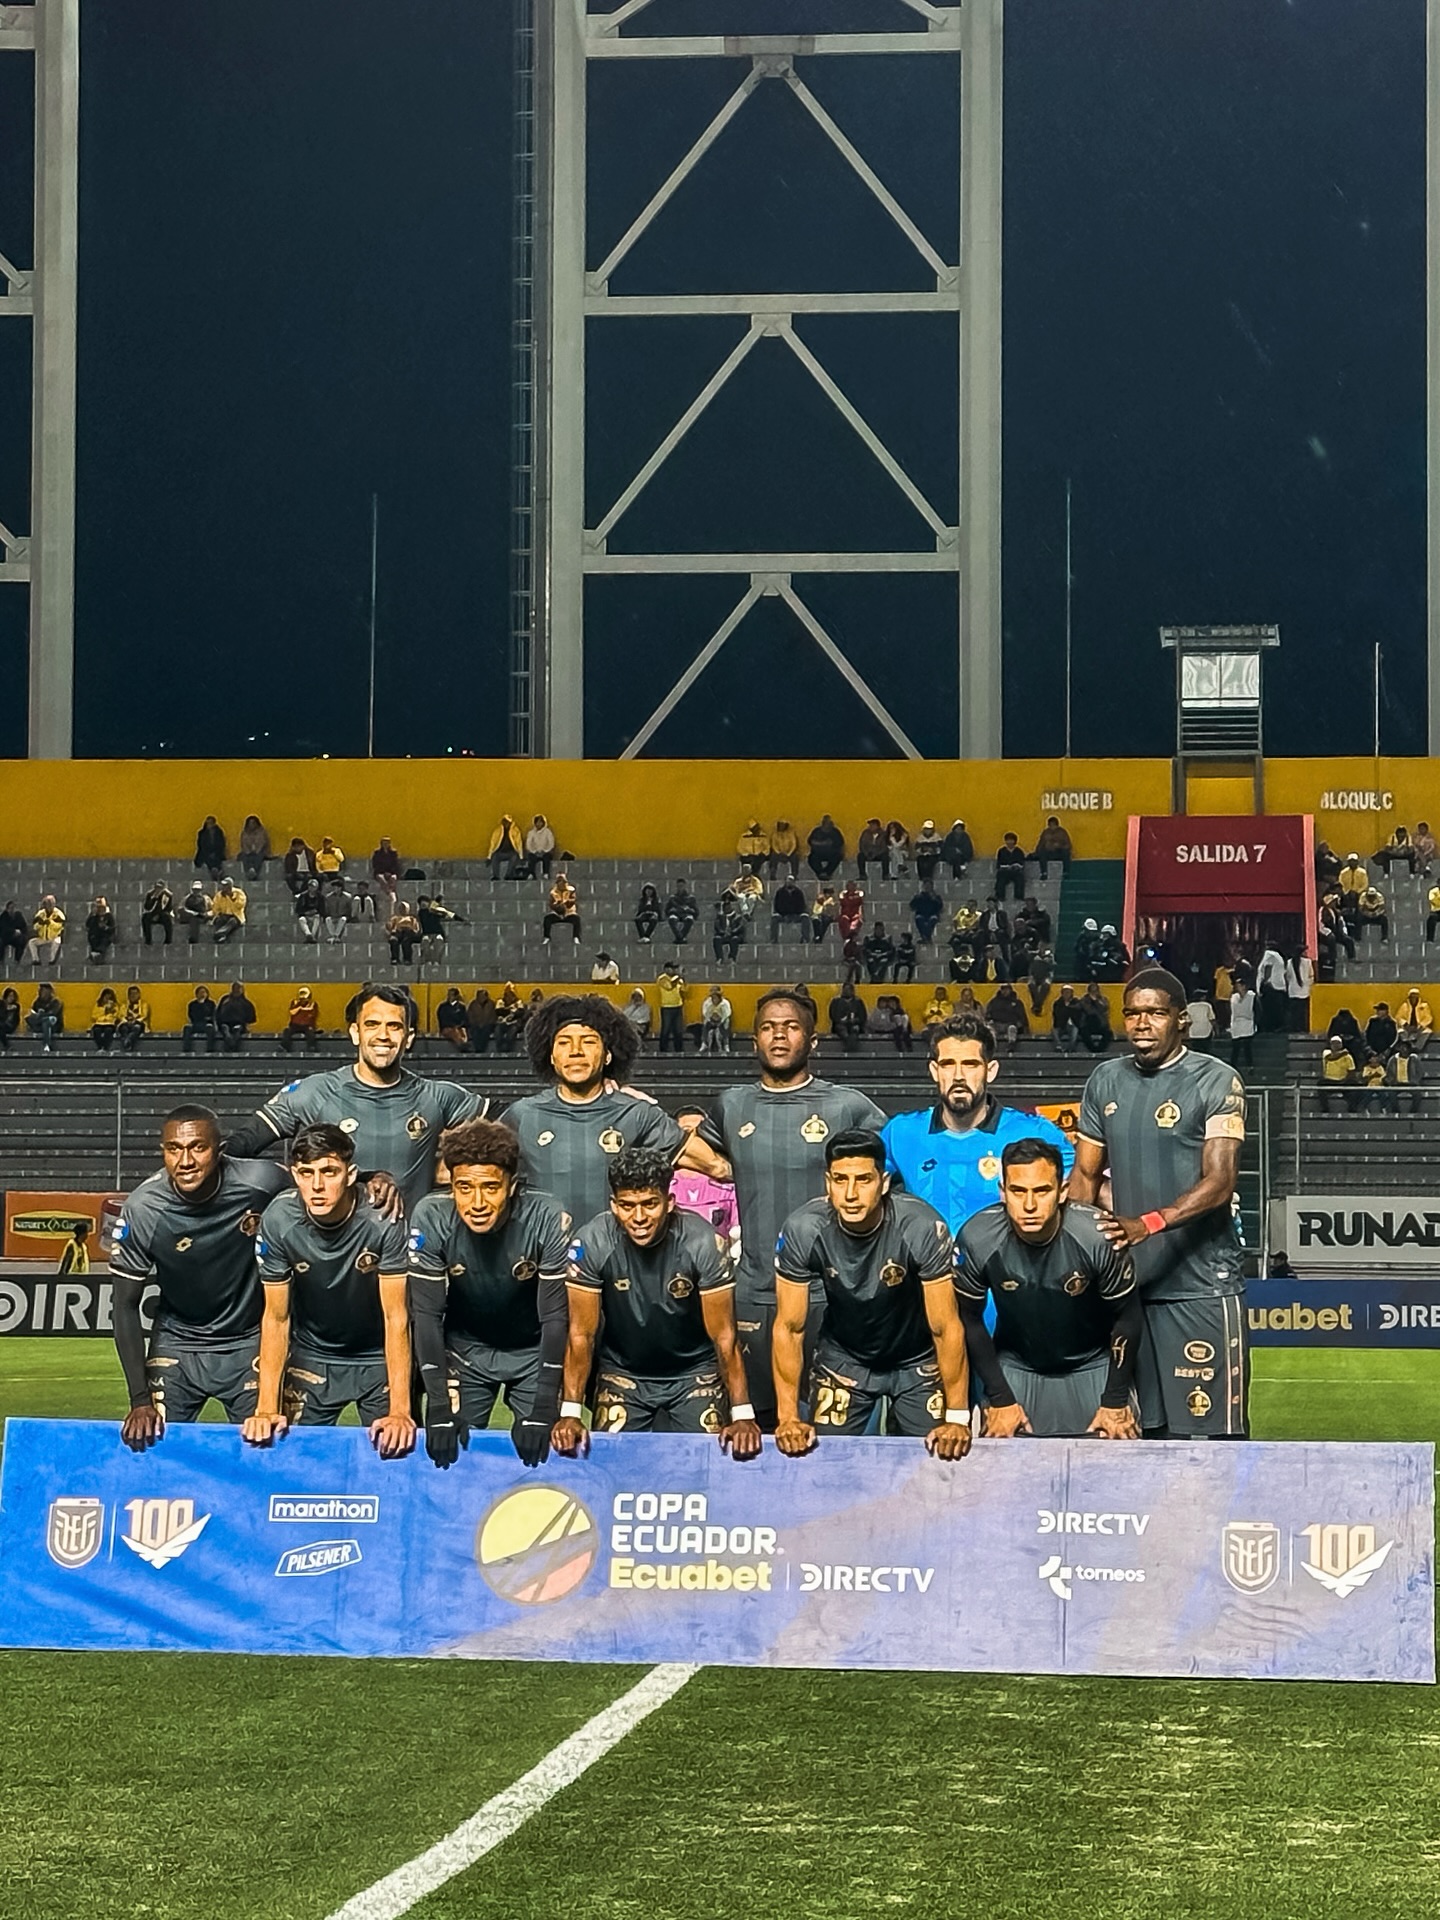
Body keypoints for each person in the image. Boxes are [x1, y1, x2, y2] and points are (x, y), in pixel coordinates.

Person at [1071, 967, 1249, 1439]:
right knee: (1141, 1436)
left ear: (1182, 1019)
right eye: (1132, 1013)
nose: (1141, 1023)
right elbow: (1085, 1176)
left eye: (1155, 1013)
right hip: (1128, 1290)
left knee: (1215, 1438)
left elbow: (1220, 1181)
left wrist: (1146, 1224)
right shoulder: (1104, 1081)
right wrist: (1070, 1256)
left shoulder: (1216, 1080)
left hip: (1202, 1286)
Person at [696, 988, 886, 1427]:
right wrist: (723, 1167)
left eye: (791, 1027)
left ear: (812, 1041)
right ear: (754, 1041)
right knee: (753, 1429)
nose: (778, 1036)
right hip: (756, 1293)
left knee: (835, 1431)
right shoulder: (732, 1105)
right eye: (767, 1027)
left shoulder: (848, 1105)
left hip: (835, 1295)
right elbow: (683, 1149)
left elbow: (891, 1170)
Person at [772, 1130, 971, 1457]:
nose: (850, 1193)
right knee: (824, 1462)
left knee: (938, 1464)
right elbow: (790, 1328)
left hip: (916, 1361)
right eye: (840, 1180)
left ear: (883, 1182)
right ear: (828, 1182)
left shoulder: (921, 1227)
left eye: (863, 1180)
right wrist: (789, 1417)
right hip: (843, 1359)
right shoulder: (803, 1229)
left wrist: (958, 1418)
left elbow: (946, 1326)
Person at [553, 1148, 759, 1456]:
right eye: (627, 1206)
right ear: (613, 1206)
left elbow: (725, 1335)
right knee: (612, 1467)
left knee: (705, 1465)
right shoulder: (591, 1242)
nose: (638, 1218)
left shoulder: (703, 1242)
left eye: (650, 1204)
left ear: (670, 1202)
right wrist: (569, 1412)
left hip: (694, 1373)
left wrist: (742, 1415)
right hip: (622, 1372)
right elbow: (581, 1334)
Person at [110, 1105, 291, 1447]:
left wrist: (369, 1180)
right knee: (154, 1450)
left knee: (265, 1450)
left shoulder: (263, 1182)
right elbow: (123, 1307)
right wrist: (139, 1399)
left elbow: (323, 1187)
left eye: (198, 1147)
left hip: (248, 1342)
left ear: (220, 1150)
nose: (185, 1161)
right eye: (173, 1149)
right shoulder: (144, 1208)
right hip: (177, 1344)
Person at [226, 984, 489, 1217]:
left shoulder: (438, 1096)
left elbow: (510, 1123)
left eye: (394, 1026)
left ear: (408, 1038)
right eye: (372, 1024)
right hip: (334, 1251)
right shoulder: (314, 1092)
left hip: (408, 1254)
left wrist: (458, 1167)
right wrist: (278, 1181)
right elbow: (240, 1145)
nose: (383, 1036)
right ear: (355, 1032)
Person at [407, 1118, 571, 1471]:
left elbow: (556, 1317)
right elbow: (426, 1316)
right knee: (447, 1458)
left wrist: (545, 1403)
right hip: (465, 1353)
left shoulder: (546, 1215)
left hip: (531, 1353)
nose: (476, 1202)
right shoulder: (431, 1216)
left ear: (511, 1186)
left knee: (543, 1459)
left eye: (490, 1188)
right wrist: (437, 1403)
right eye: (464, 1188)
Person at [242, 1124, 414, 1456]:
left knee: (396, 1456)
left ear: (351, 1175)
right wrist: (266, 1407)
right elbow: (276, 1319)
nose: (317, 1186)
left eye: (329, 1172)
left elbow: (396, 1318)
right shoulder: (279, 1218)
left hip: (377, 1355)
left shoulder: (383, 1217)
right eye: (306, 1173)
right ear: (294, 1174)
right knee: (291, 1459)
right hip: (314, 1355)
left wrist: (400, 1412)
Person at [956, 1138, 1142, 1438]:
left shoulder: (1098, 1236)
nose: (1029, 1205)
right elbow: (969, 1319)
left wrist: (1115, 1401)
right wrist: (1000, 1397)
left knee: (1114, 1461)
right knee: (1001, 1473)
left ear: (1062, 1192)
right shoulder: (977, 1238)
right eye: (1018, 1191)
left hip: (1092, 1362)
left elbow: (1128, 1317)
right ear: (1003, 1192)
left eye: (1041, 1191)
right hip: (1017, 1363)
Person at [502, 994, 717, 1230]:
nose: (576, 1051)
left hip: (615, 1261)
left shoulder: (637, 1114)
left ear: (608, 1055)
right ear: (551, 1056)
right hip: (543, 1259)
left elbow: (715, 1165)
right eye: (564, 1042)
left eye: (588, 1041)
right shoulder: (521, 1116)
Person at [881, 1012, 1073, 1232]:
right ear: (935, 1071)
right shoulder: (901, 1133)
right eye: (948, 1064)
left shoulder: (1036, 1133)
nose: (959, 1075)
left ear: (990, 1071)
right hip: (926, 1265)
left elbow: (1080, 1190)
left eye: (970, 1064)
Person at [672, 1107, 739, 1236]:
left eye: (700, 1133)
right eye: (687, 1132)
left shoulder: (728, 1190)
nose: (695, 1140)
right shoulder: (663, 1187)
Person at [1317, 1033, 1356, 1114]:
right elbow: (1332, 1057)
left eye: (1338, 1043)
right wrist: (1344, 1052)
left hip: (1343, 1081)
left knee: (1354, 1085)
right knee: (1320, 1084)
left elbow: (1351, 1071)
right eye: (1334, 1043)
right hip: (1330, 1081)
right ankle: (1325, 1108)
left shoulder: (1348, 1056)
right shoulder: (1326, 1053)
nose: (1336, 1045)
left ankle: (1352, 1108)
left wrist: (1345, 1080)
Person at [828, 978, 868, 1054]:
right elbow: (832, 1015)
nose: (847, 991)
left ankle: (850, 1047)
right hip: (840, 1024)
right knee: (842, 1030)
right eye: (845, 989)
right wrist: (842, 1021)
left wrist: (856, 1021)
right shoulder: (836, 1002)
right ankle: (850, 1045)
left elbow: (863, 1016)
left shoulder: (858, 1002)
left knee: (854, 1030)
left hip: (855, 1024)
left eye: (849, 989)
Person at [986, 982, 1029, 1052]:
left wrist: (1022, 1025)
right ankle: (991, 1047)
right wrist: (989, 1020)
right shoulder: (994, 1002)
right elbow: (988, 1014)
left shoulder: (1017, 1002)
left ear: (1011, 990)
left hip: (1010, 1024)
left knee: (1012, 1028)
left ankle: (1011, 1045)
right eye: (1003, 989)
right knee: (989, 1029)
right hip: (996, 1024)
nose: (1005, 991)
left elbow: (1022, 1016)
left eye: (1007, 989)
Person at [24, 895, 65, 965]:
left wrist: (50, 923)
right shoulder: (40, 914)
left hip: (54, 936)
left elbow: (60, 926)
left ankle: (52, 960)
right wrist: (40, 924)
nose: (49, 906)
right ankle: (36, 959)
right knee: (31, 942)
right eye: (47, 904)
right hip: (43, 938)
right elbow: (35, 926)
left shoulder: (58, 913)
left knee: (57, 942)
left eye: (51, 904)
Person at [216, 981, 256, 1052]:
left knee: (236, 1031)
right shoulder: (225, 1000)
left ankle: (230, 1049)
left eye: (239, 988)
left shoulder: (246, 1003)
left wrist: (246, 1025)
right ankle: (231, 1048)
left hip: (239, 1024)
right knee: (226, 1032)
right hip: (225, 1024)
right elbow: (218, 1013)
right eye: (235, 988)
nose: (237, 990)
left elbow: (251, 1018)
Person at [542, 873, 581, 945]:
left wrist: (565, 905)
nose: (561, 884)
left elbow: (573, 900)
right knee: (547, 919)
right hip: (557, 913)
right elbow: (551, 904)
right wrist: (557, 907)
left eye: (562, 882)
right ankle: (546, 937)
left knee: (576, 919)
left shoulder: (571, 890)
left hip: (569, 912)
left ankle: (576, 937)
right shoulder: (553, 892)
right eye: (559, 882)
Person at [1255, 944, 1287, 1033]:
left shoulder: (1270, 954)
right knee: (1276, 1008)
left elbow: (1268, 968)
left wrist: (1265, 982)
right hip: (1276, 985)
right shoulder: (1277, 956)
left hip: (1271, 986)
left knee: (1270, 1009)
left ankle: (1269, 1027)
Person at [1227, 977, 1257, 1072]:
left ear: (1244, 986)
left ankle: (1250, 1066)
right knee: (1236, 1047)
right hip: (1236, 1023)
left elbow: (1257, 1010)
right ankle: (1233, 1066)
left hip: (1247, 1022)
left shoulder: (1252, 996)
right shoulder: (1234, 997)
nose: (1237, 988)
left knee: (1247, 1046)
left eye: (1239, 986)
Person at [280, 986, 320, 1054]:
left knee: (310, 1033)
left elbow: (312, 1013)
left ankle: (312, 1047)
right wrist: (299, 1007)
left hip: (307, 1025)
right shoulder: (294, 1003)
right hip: (295, 1025)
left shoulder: (313, 1004)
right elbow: (292, 1012)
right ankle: (284, 1047)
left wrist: (305, 1008)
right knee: (287, 1031)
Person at [418, 895, 458, 963]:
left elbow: (444, 915)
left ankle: (436, 960)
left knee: (439, 940)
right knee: (425, 941)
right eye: (421, 903)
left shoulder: (435, 911)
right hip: (427, 934)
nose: (423, 904)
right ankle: (427, 960)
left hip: (438, 933)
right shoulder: (421, 913)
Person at [770, 876, 810, 943]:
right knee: (774, 918)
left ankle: (805, 938)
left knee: (805, 917)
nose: (789, 883)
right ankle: (773, 939)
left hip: (796, 915)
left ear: (794, 882)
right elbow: (777, 905)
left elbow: (802, 906)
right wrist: (783, 913)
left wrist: (795, 913)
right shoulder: (780, 892)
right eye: (788, 881)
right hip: (783, 915)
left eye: (791, 881)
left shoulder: (799, 892)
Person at [1031, 815, 1072, 881]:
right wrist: (1037, 852)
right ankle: (1044, 873)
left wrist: (1059, 846)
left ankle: (1065, 873)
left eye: (1054, 825)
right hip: (1048, 853)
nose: (1052, 827)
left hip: (1059, 852)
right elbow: (1040, 844)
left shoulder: (1062, 832)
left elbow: (1068, 845)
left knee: (1066, 853)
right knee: (1042, 853)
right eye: (1050, 825)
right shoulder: (1046, 832)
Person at [657, 965, 686, 1054]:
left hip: (678, 1006)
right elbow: (669, 987)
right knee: (666, 1029)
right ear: (665, 969)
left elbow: (684, 991)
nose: (673, 970)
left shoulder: (678, 979)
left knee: (678, 1030)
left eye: (674, 968)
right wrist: (679, 976)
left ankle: (679, 1049)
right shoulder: (662, 978)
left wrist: (683, 981)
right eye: (671, 968)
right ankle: (663, 1049)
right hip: (667, 1007)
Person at [25, 982, 63, 1051]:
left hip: (54, 1025)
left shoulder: (56, 1002)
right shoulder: (37, 1002)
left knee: (48, 1020)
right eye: (41, 990)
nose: (42, 992)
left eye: (44, 990)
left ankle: (47, 1044)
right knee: (29, 1018)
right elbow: (33, 1011)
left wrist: (41, 1014)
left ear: (49, 991)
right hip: (40, 1022)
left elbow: (53, 1014)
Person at [1077, 982, 1113, 1053]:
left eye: (1096, 990)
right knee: (1084, 1033)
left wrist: (1096, 1001)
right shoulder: (1084, 1000)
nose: (1094, 992)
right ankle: (1093, 1049)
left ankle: (1100, 1049)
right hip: (1088, 1024)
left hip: (1100, 1024)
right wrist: (1091, 1000)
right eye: (1092, 991)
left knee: (1108, 1034)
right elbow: (1089, 1011)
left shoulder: (1103, 1000)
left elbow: (1104, 1008)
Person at [182, 984, 218, 1054]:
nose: (202, 994)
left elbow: (212, 1015)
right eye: (200, 992)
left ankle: (210, 1049)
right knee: (186, 1028)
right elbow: (192, 1015)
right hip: (196, 1023)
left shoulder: (211, 1003)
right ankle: (186, 1048)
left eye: (204, 992)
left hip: (206, 1024)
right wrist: (200, 1005)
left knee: (210, 1029)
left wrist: (203, 1005)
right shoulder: (192, 1004)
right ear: (196, 994)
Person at [210, 877, 247, 944]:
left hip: (236, 916)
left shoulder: (239, 893)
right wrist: (218, 914)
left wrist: (232, 897)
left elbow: (240, 905)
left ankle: (218, 933)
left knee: (232, 922)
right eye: (223, 886)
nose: (223, 887)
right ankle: (221, 936)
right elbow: (215, 907)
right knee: (219, 920)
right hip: (224, 915)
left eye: (226, 885)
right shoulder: (219, 895)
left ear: (230, 886)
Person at [488, 815, 524, 882]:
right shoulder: (497, 831)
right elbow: (493, 843)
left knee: (514, 857)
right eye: (505, 822)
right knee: (495, 857)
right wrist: (489, 857)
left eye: (507, 822)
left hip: (511, 852)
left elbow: (519, 843)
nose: (506, 824)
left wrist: (521, 857)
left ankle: (508, 875)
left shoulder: (515, 831)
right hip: (500, 852)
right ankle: (496, 876)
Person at [1285, 951, 1315, 1032]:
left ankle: (1293, 1028)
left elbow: (1288, 976)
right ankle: (1302, 1028)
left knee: (1294, 1011)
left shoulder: (1289, 962)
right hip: (1304, 991)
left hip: (1293, 991)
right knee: (1302, 1012)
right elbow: (1311, 975)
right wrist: (1308, 984)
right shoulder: (1308, 962)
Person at [712, 892, 745, 964]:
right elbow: (717, 926)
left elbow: (740, 927)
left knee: (735, 939)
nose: (727, 908)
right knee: (717, 939)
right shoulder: (720, 917)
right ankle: (719, 958)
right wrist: (723, 932)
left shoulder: (737, 917)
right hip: (724, 935)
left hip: (734, 935)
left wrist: (732, 931)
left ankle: (732, 958)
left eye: (728, 906)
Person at [994, 831, 1027, 903]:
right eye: (1008, 840)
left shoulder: (1019, 851)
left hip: (1015, 871)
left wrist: (1016, 866)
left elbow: (1021, 863)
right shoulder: (1001, 851)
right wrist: (1005, 866)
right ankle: (1000, 896)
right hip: (1005, 871)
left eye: (1011, 840)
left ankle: (1018, 896)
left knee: (1020, 878)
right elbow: (999, 863)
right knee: (1001, 878)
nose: (1009, 842)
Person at [700, 985, 733, 1055]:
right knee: (705, 1023)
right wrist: (711, 1020)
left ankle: (726, 1044)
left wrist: (720, 1021)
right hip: (711, 1021)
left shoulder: (725, 1003)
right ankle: (704, 1043)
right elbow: (705, 1013)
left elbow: (727, 1014)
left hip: (722, 1021)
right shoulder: (707, 1003)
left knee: (726, 1022)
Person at [1026, 943, 1055, 1017]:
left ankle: (1037, 1005)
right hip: (1034, 975)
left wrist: (1047, 960)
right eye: (1041, 946)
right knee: (1031, 984)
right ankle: (1038, 1005)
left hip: (1045, 975)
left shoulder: (1049, 955)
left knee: (1046, 985)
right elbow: (1027, 957)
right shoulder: (1034, 954)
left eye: (1044, 946)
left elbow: (1052, 966)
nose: (1042, 948)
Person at [910, 880, 944, 946]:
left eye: (929, 886)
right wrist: (917, 897)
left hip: (932, 914)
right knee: (919, 919)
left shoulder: (936, 896)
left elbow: (940, 907)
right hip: (921, 914)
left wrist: (934, 898)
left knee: (932, 920)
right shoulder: (919, 896)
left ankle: (925, 937)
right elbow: (912, 905)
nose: (927, 887)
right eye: (926, 885)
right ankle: (927, 938)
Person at [140, 881, 174, 946]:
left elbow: (168, 908)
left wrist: (158, 914)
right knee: (145, 918)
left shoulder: (167, 895)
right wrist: (154, 898)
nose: (158, 889)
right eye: (157, 887)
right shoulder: (150, 894)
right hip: (152, 913)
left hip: (162, 914)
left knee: (167, 918)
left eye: (160, 888)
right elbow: (147, 907)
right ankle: (148, 940)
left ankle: (168, 940)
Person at [524, 814, 557, 880]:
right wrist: (534, 851)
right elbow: (528, 844)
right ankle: (531, 874)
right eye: (537, 822)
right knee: (531, 858)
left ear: (543, 823)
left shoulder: (548, 832)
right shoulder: (531, 833)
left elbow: (551, 843)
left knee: (546, 858)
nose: (539, 824)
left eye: (540, 822)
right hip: (535, 852)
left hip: (545, 852)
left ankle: (546, 874)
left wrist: (544, 851)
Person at [118, 985, 150, 1052]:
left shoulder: (144, 1004)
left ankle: (127, 1041)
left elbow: (144, 1015)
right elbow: (120, 1015)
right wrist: (127, 1021)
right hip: (126, 1023)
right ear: (128, 995)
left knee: (136, 1028)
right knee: (124, 1029)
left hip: (138, 1023)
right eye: (131, 994)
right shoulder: (124, 1005)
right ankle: (127, 1043)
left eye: (135, 993)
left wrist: (134, 1021)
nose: (133, 995)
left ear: (139, 994)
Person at [238, 814, 271, 881]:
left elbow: (262, 842)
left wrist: (256, 850)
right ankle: (249, 870)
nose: (252, 825)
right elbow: (243, 843)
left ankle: (254, 870)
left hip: (260, 851)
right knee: (244, 856)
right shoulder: (244, 832)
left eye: (253, 823)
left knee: (258, 856)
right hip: (248, 851)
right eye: (250, 823)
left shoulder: (262, 832)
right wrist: (248, 851)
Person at [84, 896, 116, 963]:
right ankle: (96, 952)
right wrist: (92, 915)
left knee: (105, 940)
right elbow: (88, 925)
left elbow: (112, 927)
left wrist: (105, 927)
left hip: (106, 934)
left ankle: (98, 952)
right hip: (96, 934)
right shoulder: (94, 917)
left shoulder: (109, 916)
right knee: (93, 937)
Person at [466, 987, 498, 1055]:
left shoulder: (491, 1004)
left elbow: (493, 1016)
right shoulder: (473, 1004)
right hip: (475, 1025)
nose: (480, 997)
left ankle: (481, 1049)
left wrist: (486, 1024)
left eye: (482, 996)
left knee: (485, 1031)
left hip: (488, 1025)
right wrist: (475, 1024)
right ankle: (478, 1049)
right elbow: (470, 1016)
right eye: (479, 996)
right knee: (475, 1031)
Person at [386, 898, 419, 963]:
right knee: (393, 940)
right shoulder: (395, 918)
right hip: (398, 932)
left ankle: (407, 959)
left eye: (404, 907)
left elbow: (416, 929)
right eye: (400, 907)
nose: (402, 909)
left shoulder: (412, 919)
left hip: (408, 933)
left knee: (406, 941)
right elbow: (390, 928)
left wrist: (409, 929)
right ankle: (394, 959)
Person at [1356, 880, 1389, 945]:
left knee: (1384, 920)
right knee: (1358, 919)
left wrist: (1376, 914)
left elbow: (1382, 908)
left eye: (1373, 896)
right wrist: (1367, 914)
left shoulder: (1379, 896)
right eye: (1370, 896)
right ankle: (1357, 938)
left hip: (1376, 914)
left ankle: (1384, 938)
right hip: (1366, 914)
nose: (1371, 898)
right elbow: (1360, 908)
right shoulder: (1363, 896)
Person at [194, 815, 227, 880]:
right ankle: (214, 870)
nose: (209, 825)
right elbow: (200, 845)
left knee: (216, 857)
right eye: (208, 823)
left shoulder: (219, 832)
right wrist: (209, 852)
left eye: (211, 823)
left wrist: (215, 852)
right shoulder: (201, 833)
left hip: (217, 852)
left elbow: (222, 844)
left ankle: (215, 871)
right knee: (207, 858)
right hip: (204, 852)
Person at [1051, 984, 1081, 1053]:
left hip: (1073, 1024)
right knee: (1054, 1031)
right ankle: (1059, 1046)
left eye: (1068, 992)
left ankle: (1071, 1048)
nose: (1066, 994)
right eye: (1065, 992)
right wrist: (1069, 1010)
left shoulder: (1076, 1002)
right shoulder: (1058, 1003)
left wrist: (1067, 1009)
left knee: (1075, 1030)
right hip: (1061, 1025)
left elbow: (1077, 1012)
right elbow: (1058, 1015)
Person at [370, 836, 401, 901]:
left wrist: (390, 872)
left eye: (387, 843)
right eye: (384, 843)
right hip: (380, 872)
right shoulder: (377, 853)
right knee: (381, 878)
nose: (385, 844)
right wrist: (383, 872)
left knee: (393, 878)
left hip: (391, 872)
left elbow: (395, 864)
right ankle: (388, 892)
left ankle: (391, 891)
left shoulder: (393, 853)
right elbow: (375, 864)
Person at [856, 818, 887, 883]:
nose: (870, 827)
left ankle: (885, 875)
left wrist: (875, 854)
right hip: (868, 853)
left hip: (878, 854)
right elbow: (862, 845)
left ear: (877, 826)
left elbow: (884, 847)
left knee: (885, 857)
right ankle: (862, 875)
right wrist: (867, 853)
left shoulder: (883, 834)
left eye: (872, 825)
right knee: (860, 856)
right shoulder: (865, 833)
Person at [0, 986, 18, 1050]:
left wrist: (11, 1010)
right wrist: (6, 1009)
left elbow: (15, 1020)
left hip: (10, 1026)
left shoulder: (16, 1006)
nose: (11, 998)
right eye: (10, 996)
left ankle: (6, 1045)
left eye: (13, 996)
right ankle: (7, 1045)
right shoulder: (1, 1004)